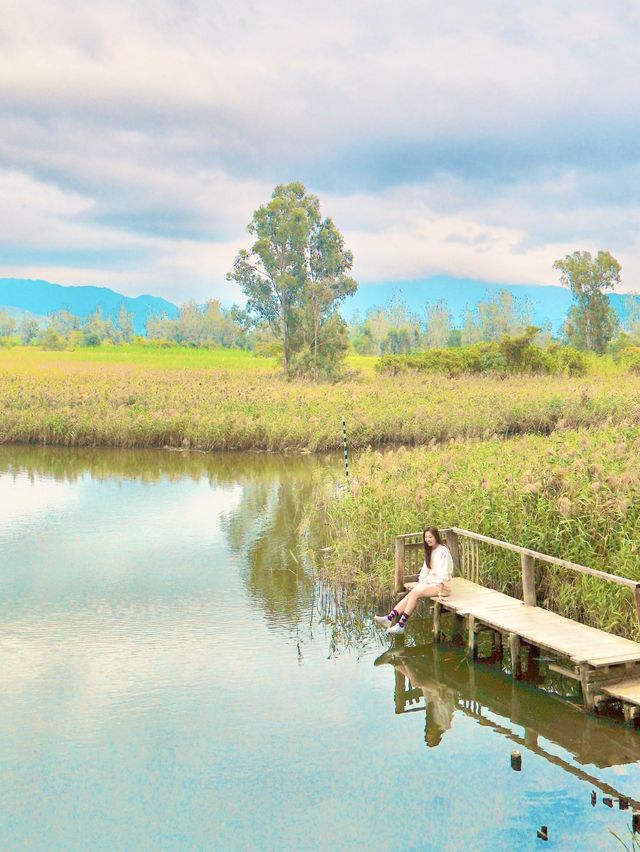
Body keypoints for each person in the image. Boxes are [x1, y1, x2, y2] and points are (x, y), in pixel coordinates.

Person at [374, 526, 453, 635]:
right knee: (412, 593)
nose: (428, 539)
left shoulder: (443, 550)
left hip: (442, 585)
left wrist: (440, 592)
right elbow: (425, 570)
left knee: (415, 593)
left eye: (430, 537)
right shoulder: (430, 550)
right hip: (431, 582)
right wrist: (420, 584)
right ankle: (389, 618)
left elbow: (443, 573)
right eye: (426, 537)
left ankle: (401, 625)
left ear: (436, 537)